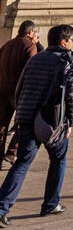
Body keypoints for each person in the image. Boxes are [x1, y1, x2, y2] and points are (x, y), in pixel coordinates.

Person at [0, 25, 73, 226]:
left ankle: (1, 207)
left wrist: (21, 112)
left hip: (28, 118)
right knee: (58, 159)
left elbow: (20, 88)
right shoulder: (69, 60)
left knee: (22, 162)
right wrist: (71, 121)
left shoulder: (36, 58)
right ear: (64, 42)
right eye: (71, 40)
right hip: (53, 121)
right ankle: (51, 203)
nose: (72, 44)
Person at [0, 22, 40, 165]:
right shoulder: (30, 46)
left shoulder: (8, 44)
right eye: (35, 33)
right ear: (30, 33)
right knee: (24, 122)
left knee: (2, 124)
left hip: (3, 89)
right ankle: (12, 152)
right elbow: (32, 69)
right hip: (19, 92)